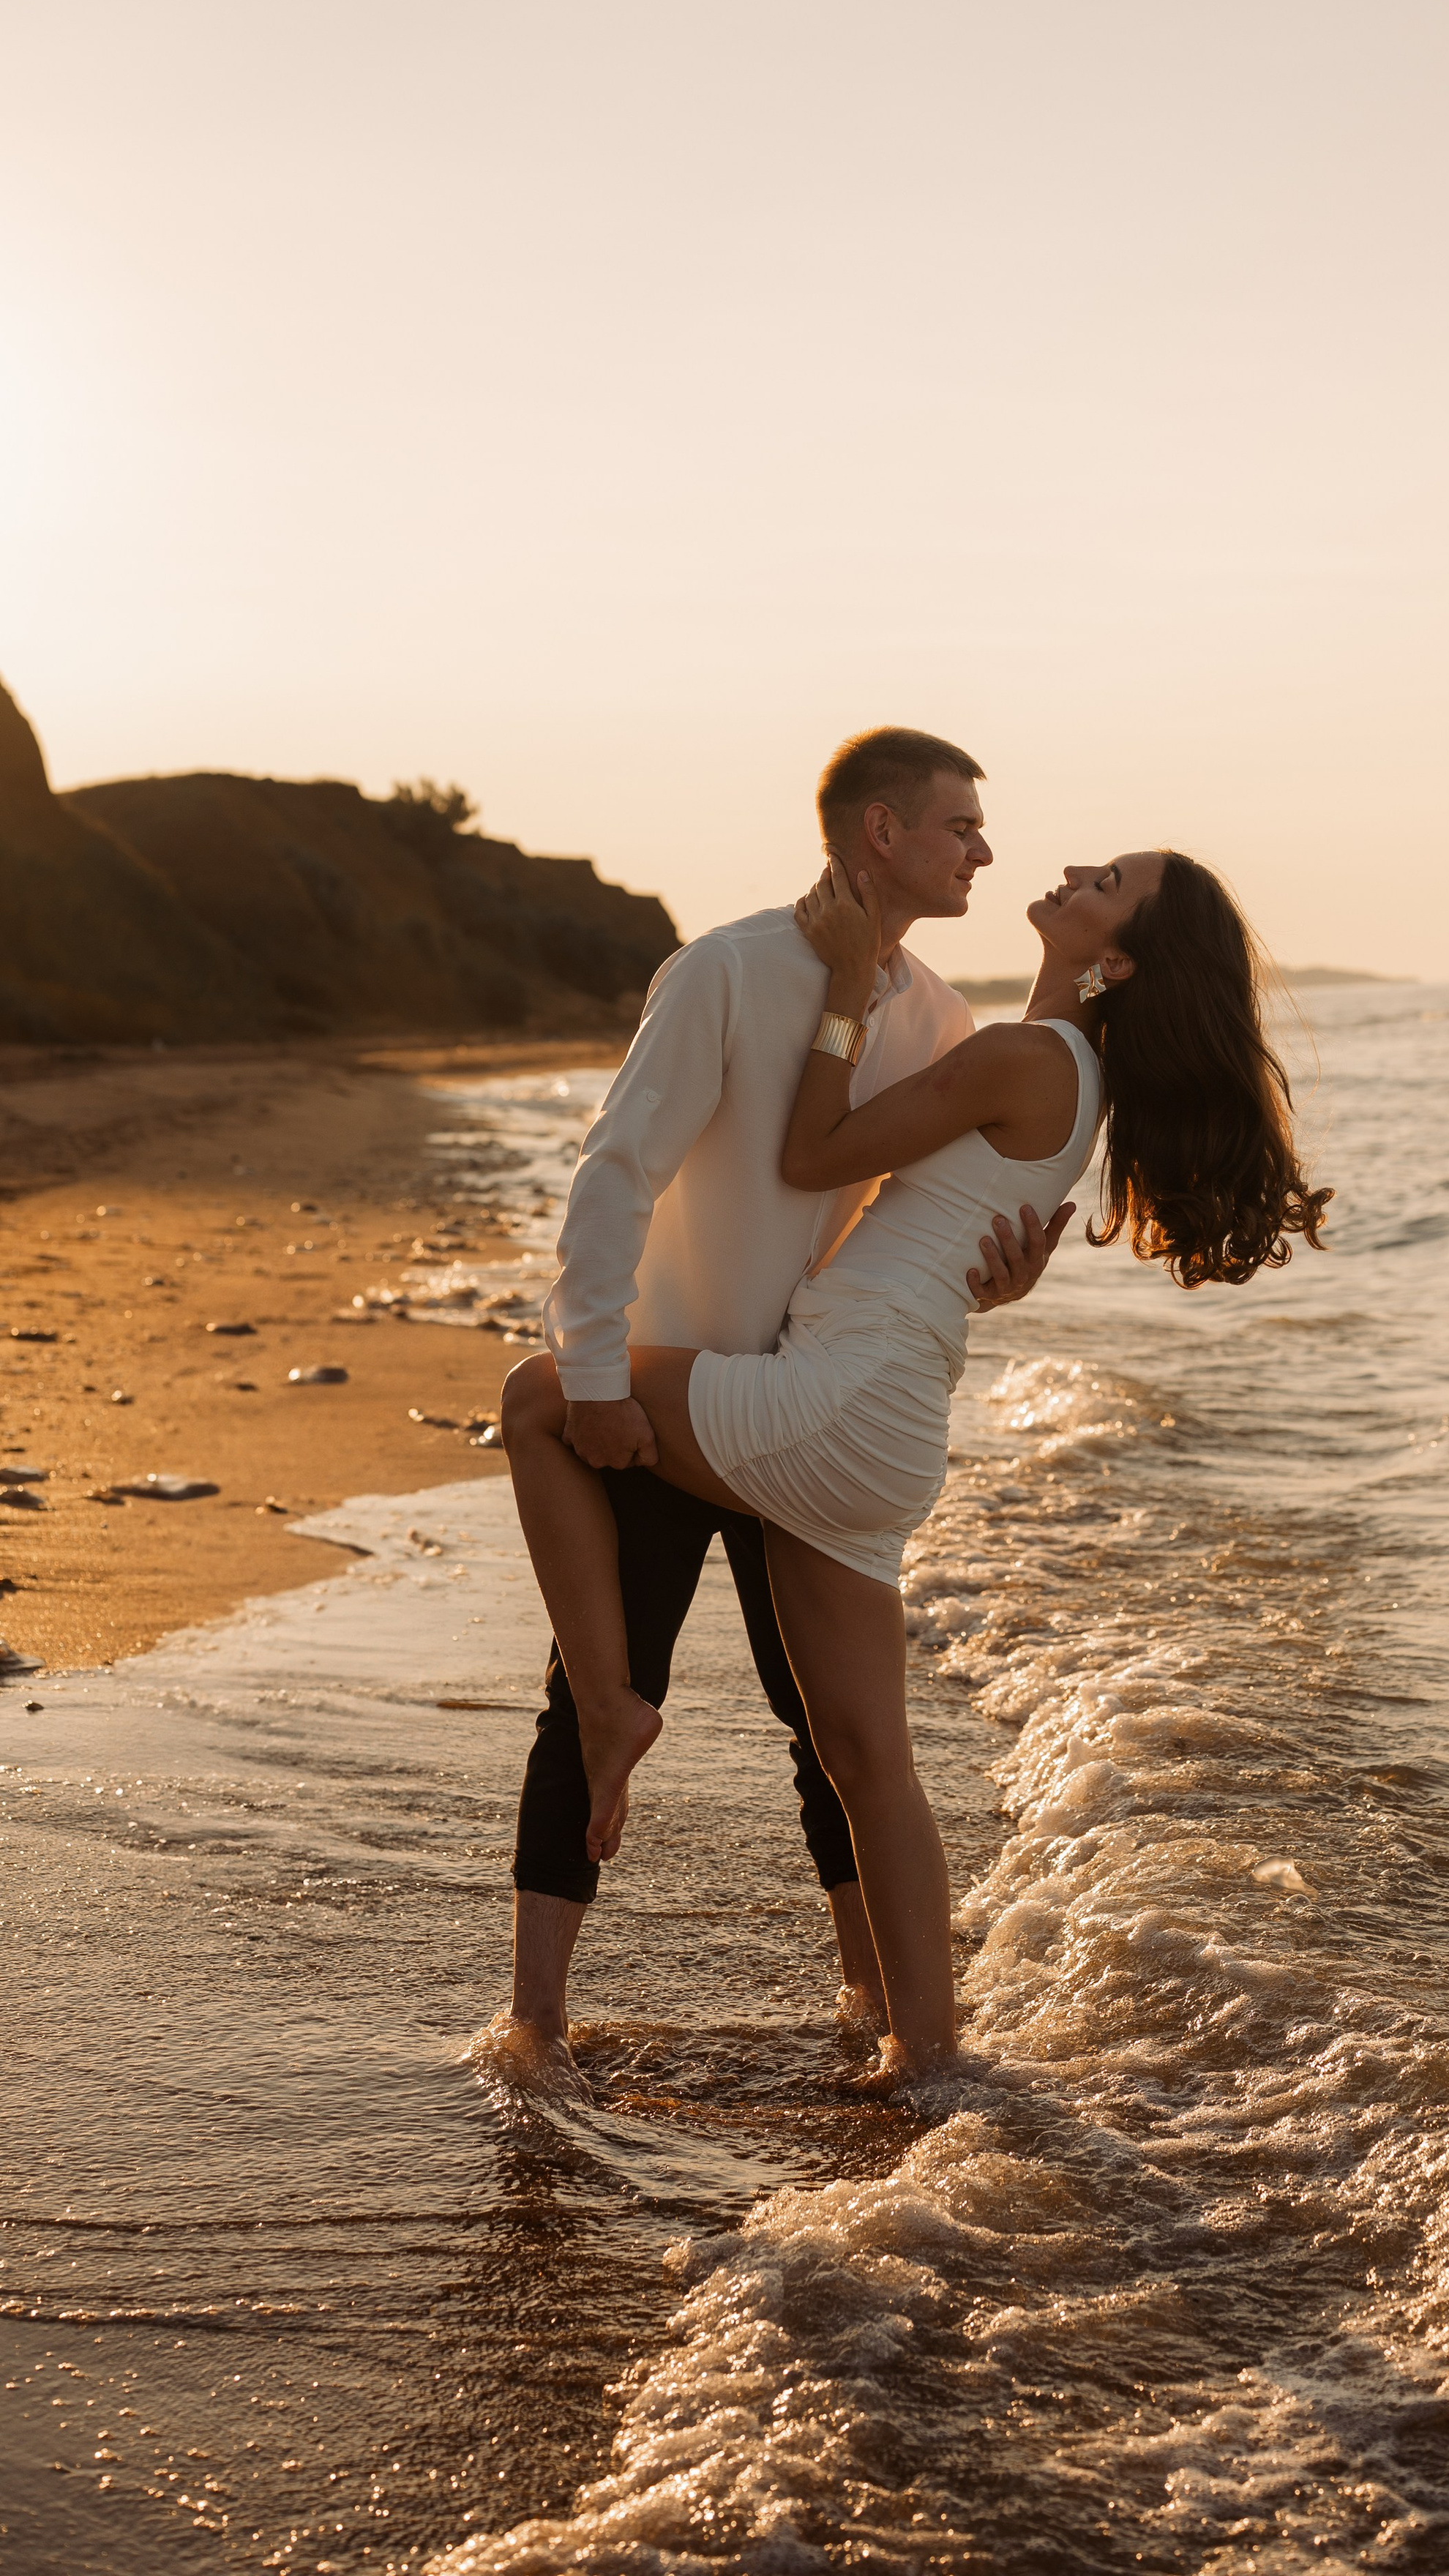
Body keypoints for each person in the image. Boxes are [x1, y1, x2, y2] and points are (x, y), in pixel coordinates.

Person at [503, 839, 1332, 2076]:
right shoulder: (1074, 1076)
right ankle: (930, 2066)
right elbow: (943, 1223)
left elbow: (809, 1154)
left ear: (1114, 960)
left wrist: (843, 985)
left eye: (1104, 885)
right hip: (888, 1421)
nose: (1068, 871)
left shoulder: (1024, 1054)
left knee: (539, 1398)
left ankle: (615, 1701)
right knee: (868, 1766)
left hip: (834, 1397)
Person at [498, 728, 1074, 2078]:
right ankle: (535, 2021)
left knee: (832, 1731)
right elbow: (614, 1174)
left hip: (802, 1405)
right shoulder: (729, 969)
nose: (983, 851)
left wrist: (991, 1284)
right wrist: (590, 1380)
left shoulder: (934, 1016)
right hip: (657, 1400)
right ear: (880, 831)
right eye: (958, 827)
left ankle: (871, 2001)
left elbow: (901, 1222)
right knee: (590, 1697)